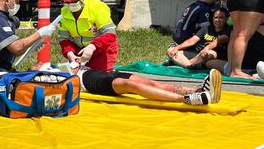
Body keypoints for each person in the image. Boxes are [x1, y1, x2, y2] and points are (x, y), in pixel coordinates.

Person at [69, 64, 222, 106]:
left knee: (150, 83)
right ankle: (187, 99)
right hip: (85, 81)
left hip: (97, 71)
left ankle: (200, 91)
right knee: (130, 85)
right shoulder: (46, 73)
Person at [57, 0, 119, 72]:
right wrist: (69, 53)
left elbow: (110, 35)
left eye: (73, 1)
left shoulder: (98, 8)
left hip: (101, 51)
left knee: (98, 78)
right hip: (79, 52)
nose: (69, 5)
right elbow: (64, 38)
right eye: (66, 2)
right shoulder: (64, 12)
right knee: (76, 78)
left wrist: (92, 47)